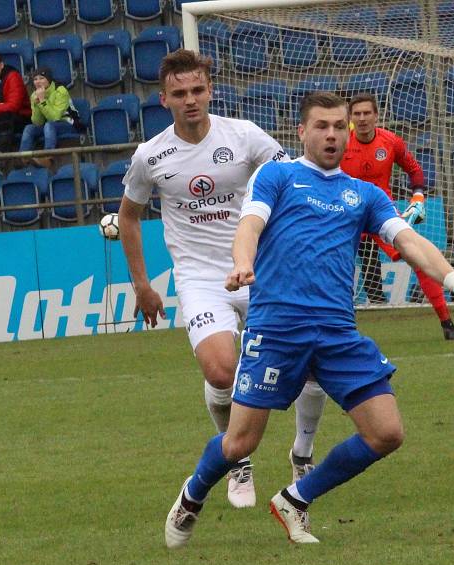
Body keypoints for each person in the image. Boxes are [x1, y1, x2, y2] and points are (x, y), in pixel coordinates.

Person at [164, 92, 454, 549]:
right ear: (302, 132)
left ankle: (295, 499)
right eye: (322, 126)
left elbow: (411, 242)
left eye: (339, 126)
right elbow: (250, 227)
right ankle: (193, 494)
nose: (333, 134)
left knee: (387, 432)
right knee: (240, 444)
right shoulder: (277, 176)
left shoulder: (365, 194)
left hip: (337, 332)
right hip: (278, 329)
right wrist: (242, 262)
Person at [119, 50, 327, 510]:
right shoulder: (150, 156)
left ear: (210, 90)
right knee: (220, 370)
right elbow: (129, 218)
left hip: (259, 268)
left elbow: (291, 179)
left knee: (313, 362)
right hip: (200, 277)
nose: (190, 100)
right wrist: (142, 285)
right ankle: (238, 457)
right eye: (179, 93)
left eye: (197, 90)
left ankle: (302, 453)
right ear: (164, 98)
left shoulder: (245, 135)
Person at [341, 93, 454, 341]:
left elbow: (414, 169)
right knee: (332, 267)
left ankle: (447, 322)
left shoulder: (390, 142)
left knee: (417, 258)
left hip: (380, 213)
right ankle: (338, 330)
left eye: (367, 113)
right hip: (346, 213)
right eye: (357, 114)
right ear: (351, 119)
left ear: (376, 115)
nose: (363, 118)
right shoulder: (341, 143)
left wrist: (417, 196)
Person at [19, 67, 84, 169]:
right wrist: (37, 104)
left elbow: (55, 117)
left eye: (41, 78)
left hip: (68, 124)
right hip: (48, 126)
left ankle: (48, 158)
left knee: (49, 125)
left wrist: (42, 100)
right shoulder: (34, 95)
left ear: (48, 79)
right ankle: (23, 158)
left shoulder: (60, 90)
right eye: (35, 79)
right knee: (29, 128)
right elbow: (37, 122)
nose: (38, 82)